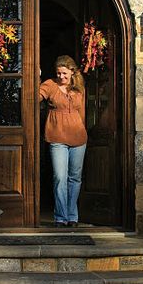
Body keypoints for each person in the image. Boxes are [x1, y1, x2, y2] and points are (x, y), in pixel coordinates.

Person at [39, 55, 87, 228]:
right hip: (57, 137)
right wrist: (34, 77)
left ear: (72, 72)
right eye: (59, 73)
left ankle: (72, 216)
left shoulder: (78, 88)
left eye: (65, 73)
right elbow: (34, 97)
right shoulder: (50, 85)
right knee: (60, 177)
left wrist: (83, 129)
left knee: (75, 178)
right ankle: (60, 217)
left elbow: (82, 113)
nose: (61, 77)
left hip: (79, 138)